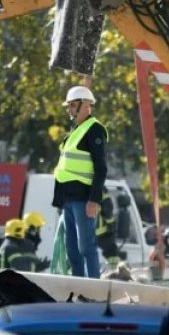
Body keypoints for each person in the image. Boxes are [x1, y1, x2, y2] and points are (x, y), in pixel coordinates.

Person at [52, 85, 107, 278]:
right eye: (68, 106)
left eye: (72, 105)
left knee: (86, 247)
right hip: (67, 198)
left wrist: (94, 200)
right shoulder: (76, 130)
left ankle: (93, 289)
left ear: (86, 106)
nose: (68, 109)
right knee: (72, 250)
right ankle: (78, 287)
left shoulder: (95, 130)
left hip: (83, 199)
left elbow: (101, 168)